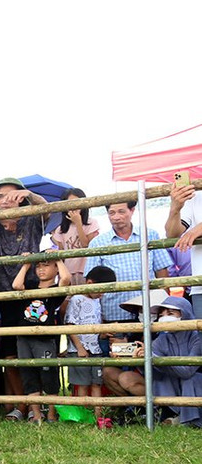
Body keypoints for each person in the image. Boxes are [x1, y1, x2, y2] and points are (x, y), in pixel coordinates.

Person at [0, 177, 51, 421]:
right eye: (0, 196)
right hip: (3, 295)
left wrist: (28, 194)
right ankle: (21, 405)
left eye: (12, 195)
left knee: (37, 348)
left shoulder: (32, 218)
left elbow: (46, 207)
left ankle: (43, 406)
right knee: (10, 353)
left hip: (32, 292)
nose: (6, 200)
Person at [85, 199, 171, 398]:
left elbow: (162, 274)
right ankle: (132, 408)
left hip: (147, 314)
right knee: (115, 366)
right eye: (112, 212)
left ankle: (160, 406)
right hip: (115, 315)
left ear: (132, 211)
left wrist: (162, 309)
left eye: (121, 211)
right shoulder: (98, 242)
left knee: (150, 363)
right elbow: (91, 283)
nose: (117, 217)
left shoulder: (150, 234)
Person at [11, 256, 71, 423]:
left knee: (49, 374)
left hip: (45, 338)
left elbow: (66, 279)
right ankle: (36, 414)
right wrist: (26, 265)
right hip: (24, 336)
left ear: (56, 269)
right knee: (28, 374)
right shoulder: (30, 285)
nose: (41, 270)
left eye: (46, 265)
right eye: (38, 266)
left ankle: (51, 413)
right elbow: (16, 285)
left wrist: (58, 259)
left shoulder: (55, 289)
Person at [65, 265, 113, 428]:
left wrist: (102, 334)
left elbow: (96, 323)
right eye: (100, 290)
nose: (102, 294)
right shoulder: (76, 299)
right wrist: (79, 347)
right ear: (90, 282)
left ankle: (99, 417)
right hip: (80, 350)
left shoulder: (97, 301)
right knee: (83, 384)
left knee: (96, 383)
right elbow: (70, 324)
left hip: (95, 349)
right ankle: (82, 416)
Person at [149, 296, 202, 427]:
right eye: (162, 314)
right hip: (173, 384)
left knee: (191, 379)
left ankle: (190, 420)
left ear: (185, 314)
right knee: (160, 378)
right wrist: (142, 358)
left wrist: (157, 359)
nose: (165, 317)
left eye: (170, 313)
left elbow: (188, 372)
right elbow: (153, 374)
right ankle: (175, 415)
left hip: (196, 384)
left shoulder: (197, 338)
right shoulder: (161, 340)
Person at [48, 188, 100, 286]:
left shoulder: (92, 223)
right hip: (68, 271)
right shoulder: (61, 228)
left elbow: (86, 245)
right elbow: (60, 251)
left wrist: (78, 224)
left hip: (85, 271)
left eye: (76, 203)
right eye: (69, 204)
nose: (73, 207)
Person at [166, 182, 202, 313]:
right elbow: (172, 234)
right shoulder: (195, 195)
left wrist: (199, 228)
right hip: (199, 285)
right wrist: (175, 208)